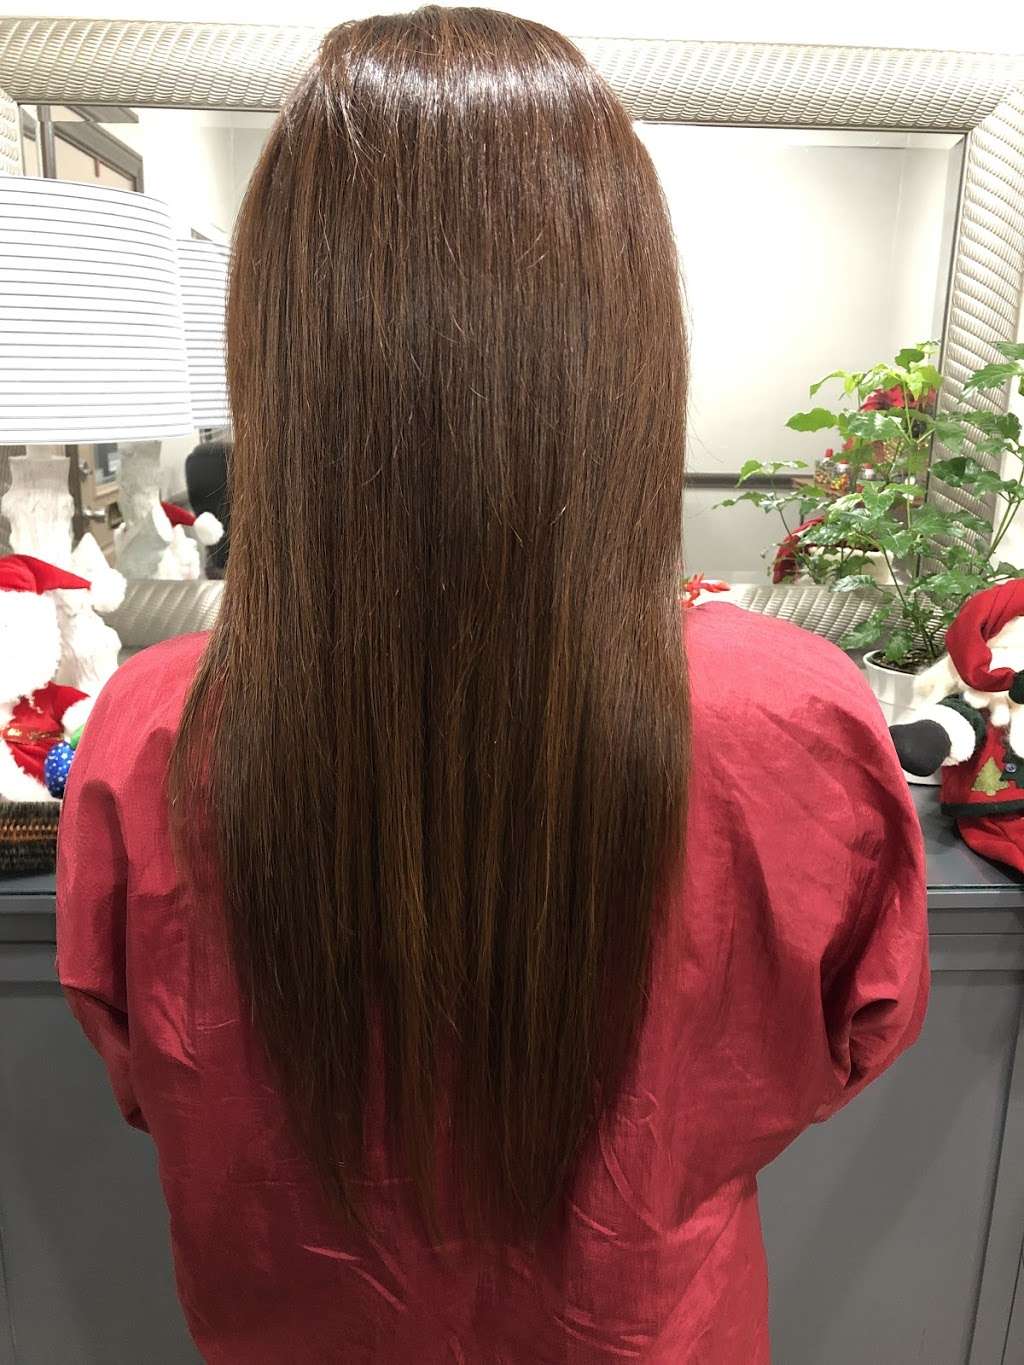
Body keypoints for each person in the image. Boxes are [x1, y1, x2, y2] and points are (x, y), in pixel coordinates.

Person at [55, 8, 929, 1363]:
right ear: (626, 334)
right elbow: (847, 1039)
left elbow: (144, 1073)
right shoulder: (793, 721)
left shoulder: (151, 734)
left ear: (281, 344)